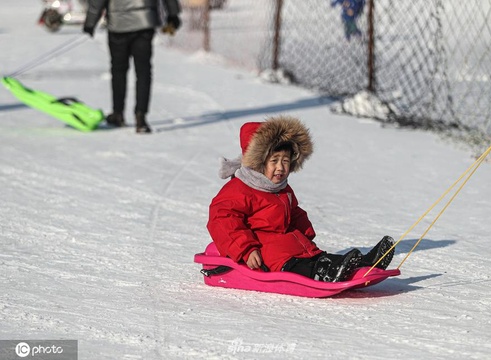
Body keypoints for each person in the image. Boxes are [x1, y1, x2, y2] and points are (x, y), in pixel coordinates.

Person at [206, 116, 395, 282]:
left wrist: (305, 232)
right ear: (258, 163)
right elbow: (222, 220)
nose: (280, 167)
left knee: (315, 256)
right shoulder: (240, 188)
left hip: (290, 243)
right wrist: (246, 249)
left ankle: (363, 263)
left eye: (285, 161)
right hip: (264, 249)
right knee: (296, 262)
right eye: (274, 161)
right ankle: (325, 272)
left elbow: (293, 211)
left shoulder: (281, 188)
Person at [83, 0, 182, 133]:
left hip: (118, 24)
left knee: (118, 70)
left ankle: (118, 113)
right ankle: (141, 117)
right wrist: (173, 14)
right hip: (145, 22)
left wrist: (90, 23)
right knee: (143, 71)